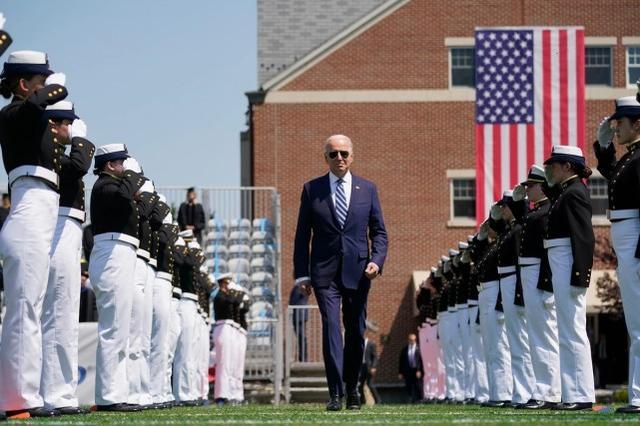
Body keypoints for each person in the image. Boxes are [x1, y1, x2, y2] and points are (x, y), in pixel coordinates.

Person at [293, 134, 388, 411]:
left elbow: (379, 232)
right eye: (333, 154)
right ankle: (335, 393)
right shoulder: (312, 189)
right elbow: (302, 236)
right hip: (324, 274)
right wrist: (302, 274)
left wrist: (377, 261)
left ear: (352, 156)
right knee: (332, 328)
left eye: (344, 153)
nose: (340, 158)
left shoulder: (367, 189)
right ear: (326, 158)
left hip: (359, 273)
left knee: (356, 332)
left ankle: (353, 388)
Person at [0, 50, 68, 419]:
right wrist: (54, 86)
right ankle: (17, 401)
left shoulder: (29, 114)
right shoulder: (14, 113)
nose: (48, 86)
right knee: (23, 311)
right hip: (27, 214)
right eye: (40, 81)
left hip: (40, 214)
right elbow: (51, 95)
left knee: (31, 310)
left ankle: (26, 395)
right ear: (24, 85)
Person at [39, 100, 94, 416]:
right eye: (67, 124)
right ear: (54, 124)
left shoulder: (61, 149)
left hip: (68, 225)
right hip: (58, 224)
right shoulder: (52, 148)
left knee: (65, 312)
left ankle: (61, 393)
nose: (70, 129)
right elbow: (78, 168)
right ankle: (53, 394)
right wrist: (80, 141)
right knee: (57, 311)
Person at [593, 95, 640, 414]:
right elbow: (614, 175)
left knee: (639, 325)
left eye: (620, 124)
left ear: (637, 123)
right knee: (635, 324)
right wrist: (604, 147)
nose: (615, 128)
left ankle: (638, 396)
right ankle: (637, 394)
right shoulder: (630, 158)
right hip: (626, 235)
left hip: (635, 237)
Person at [89, 145, 145, 412]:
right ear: (110, 165)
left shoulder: (114, 185)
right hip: (112, 254)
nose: (125, 166)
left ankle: (116, 393)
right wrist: (133, 176)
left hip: (120, 252)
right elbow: (123, 196)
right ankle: (109, 396)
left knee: (121, 329)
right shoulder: (105, 186)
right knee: (113, 329)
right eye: (121, 162)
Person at [543, 145, 595, 410]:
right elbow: (551, 190)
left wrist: (580, 274)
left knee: (572, 330)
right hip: (561, 261)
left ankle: (580, 394)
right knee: (566, 329)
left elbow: (584, 237)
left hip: (568, 263)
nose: (550, 168)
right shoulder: (567, 191)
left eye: (554, 164)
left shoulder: (574, 193)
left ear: (568, 166)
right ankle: (572, 392)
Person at [515, 165, 561, 409]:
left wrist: (546, 283)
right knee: (536, 335)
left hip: (538, 274)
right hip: (529, 272)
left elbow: (547, 253)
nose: (526, 190)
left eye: (530, 186)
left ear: (542, 187)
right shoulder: (536, 212)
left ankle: (550, 391)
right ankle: (542, 388)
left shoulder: (545, 213)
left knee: (544, 334)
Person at [495, 191, 535, 408]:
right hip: (507, 281)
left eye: (506, 206)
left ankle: (526, 391)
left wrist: (519, 293)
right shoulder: (510, 229)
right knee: (515, 343)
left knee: (521, 342)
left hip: (515, 281)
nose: (502, 210)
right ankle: (519, 392)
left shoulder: (519, 229)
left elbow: (521, 263)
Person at [398, 333, 424, 403]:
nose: (412, 341)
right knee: (409, 385)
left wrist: (419, 370)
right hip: (408, 370)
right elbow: (401, 361)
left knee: (418, 386)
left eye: (414, 340)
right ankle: (412, 400)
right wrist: (400, 372)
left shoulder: (419, 349)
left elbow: (421, 361)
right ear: (408, 340)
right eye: (411, 340)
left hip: (416, 370)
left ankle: (420, 399)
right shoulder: (405, 349)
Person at [359, 330, 381, 404]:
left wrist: (373, 367)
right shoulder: (359, 344)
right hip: (361, 367)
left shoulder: (371, 344)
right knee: (360, 385)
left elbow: (375, 357)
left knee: (370, 384)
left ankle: (378, 400)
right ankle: (362, 401)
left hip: (369, 367)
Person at [288, 284, 309, 362]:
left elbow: (293, 302)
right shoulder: (298, 287)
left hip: (300, 317)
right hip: (298, 317)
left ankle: (303, 358)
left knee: (302, 338)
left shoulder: (301, 287)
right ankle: (302, 357)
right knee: (301, 338)